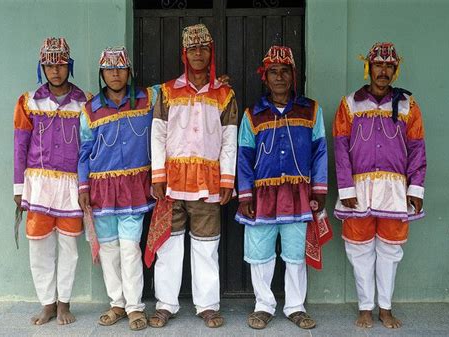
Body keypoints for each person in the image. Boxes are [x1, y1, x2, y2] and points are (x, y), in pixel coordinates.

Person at [148, 23, 238, 329]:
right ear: (184, 54)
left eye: (203, 48)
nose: (197, 54)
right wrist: (158, 175)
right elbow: (158, 134)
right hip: (172, 182)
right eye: (192, 49)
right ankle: (165, 304)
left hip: (208, 183)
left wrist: (228, 178)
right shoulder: (167, 90)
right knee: (168, 246)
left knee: (206, 245)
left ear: (211, 52)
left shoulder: (224, 94)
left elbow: (230, 139)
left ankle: (208, 305)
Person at [333, 42, 426, 329]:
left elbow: (417, 148)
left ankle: (385, 307)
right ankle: (365, 307)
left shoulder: (408, 105)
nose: (383, 71)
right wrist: (346, 188)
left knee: (390, 250)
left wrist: (416, 188)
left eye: (389, 66)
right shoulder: (350, 104)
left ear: (395, 70)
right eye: (378, 65)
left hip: (395, 191)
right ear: (368, 67)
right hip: (359, 190)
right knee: (359, 249)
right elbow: (340, 147)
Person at [235, 45, 328, 330]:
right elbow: (243, 156)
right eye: (273, 72)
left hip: (298, 194)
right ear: (265, 77)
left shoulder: (311, 110)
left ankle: (295, 306)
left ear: (293, 76)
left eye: (284, 71)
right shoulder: (253, 114)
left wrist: (319, 190)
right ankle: (263, 305)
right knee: (260, 252)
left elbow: (320, 151)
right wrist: (245, 194)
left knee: (295, 253)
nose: (279, 78)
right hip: (262, 195)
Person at [78, 47, 156, 331]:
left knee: (130, 248)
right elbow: (84, 151)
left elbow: (179, 92)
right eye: (109, 69)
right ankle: (117, 303)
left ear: (129, 72)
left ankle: (135, 307)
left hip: (134, 188)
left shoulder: (148, 99)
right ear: (102, 74)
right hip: (101, 189)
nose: (115, 74)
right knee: (109, 249)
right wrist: (83, 185)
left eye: (120, 68)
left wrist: (214, 84)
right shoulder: (90, 110)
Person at [13, 37, 88, 325]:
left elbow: (90, 147)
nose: (55, 70)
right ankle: (47, 303)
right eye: (49, 64)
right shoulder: (28, 101)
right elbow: (20, 146)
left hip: (71, 184)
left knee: (69, 246)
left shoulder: (85, 102)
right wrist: (19, 187)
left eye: (60, 64)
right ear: (41, 67)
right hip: (39, 184)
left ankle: (64, 303)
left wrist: (87, 185)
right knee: (39, 244)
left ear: (69, 65)